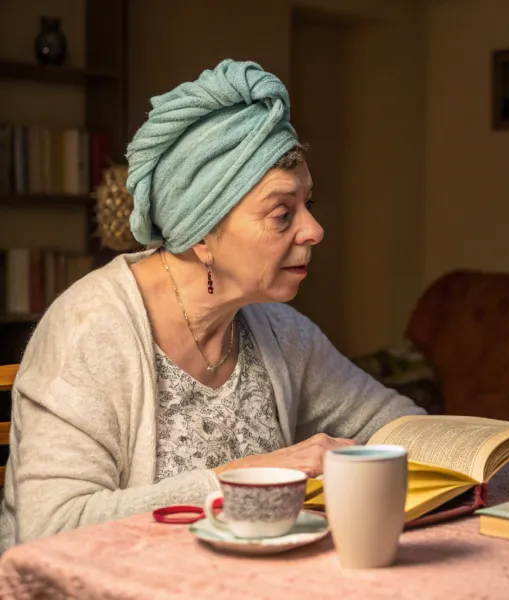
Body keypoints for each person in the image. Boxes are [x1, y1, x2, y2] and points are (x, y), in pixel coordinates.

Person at [0, 59, 425, 550]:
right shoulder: (90, 331)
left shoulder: (282, 333)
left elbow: (392, 423)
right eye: (283, 213)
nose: (314, 230)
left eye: (310, 205)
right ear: (201, 234)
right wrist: (240, 478)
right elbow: (50, 528)